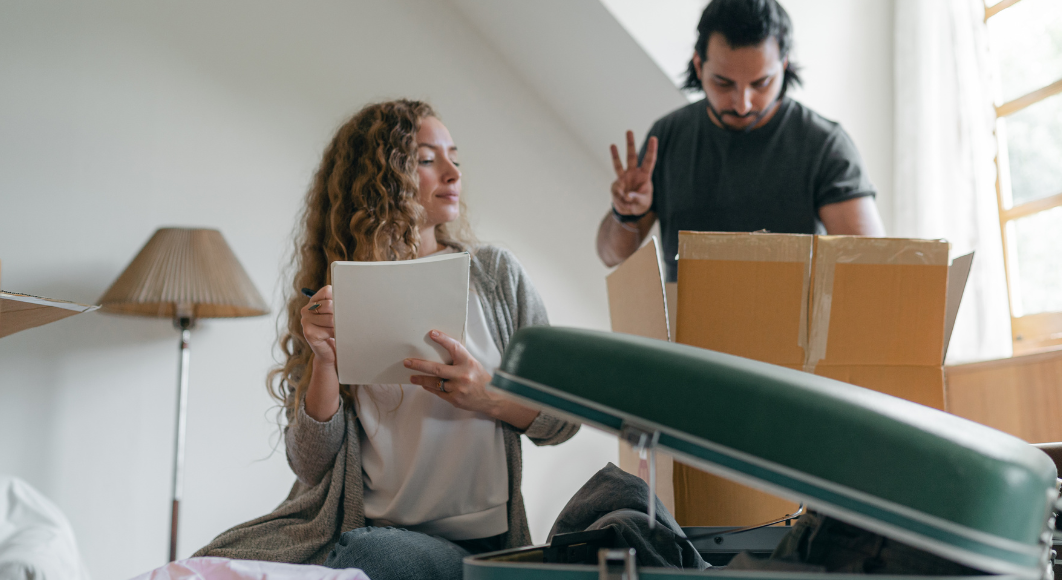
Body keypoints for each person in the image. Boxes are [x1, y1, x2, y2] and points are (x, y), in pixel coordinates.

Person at [194, 100, 579, 580]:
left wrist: (488, 395)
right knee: (203, 566)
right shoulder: (340, 292)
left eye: (454, 157)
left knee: (379, 558)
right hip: (359, 528)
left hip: (471, 547)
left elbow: (565, 418)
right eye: (426, 159)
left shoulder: (497, 277)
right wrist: (325, 362)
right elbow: (312, 467)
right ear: (379, 178)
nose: (453, 172)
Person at [597, 0, 886, 282]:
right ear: (699, 66)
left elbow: (870, 267)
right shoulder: (668, 136)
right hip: (689, 328)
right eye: (724, 83)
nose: (742, 104)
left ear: (783, 66)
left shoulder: (824, 146)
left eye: (761, 83)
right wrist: (625, 214)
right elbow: (611, 256)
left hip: (793, 327)